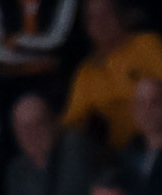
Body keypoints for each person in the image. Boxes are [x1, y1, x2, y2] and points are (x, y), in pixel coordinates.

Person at [65, 0, 162, 151]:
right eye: (93, 17)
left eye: (106, 14)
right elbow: (73, 121)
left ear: (121, 16)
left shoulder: (146, 44)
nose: (100, 23)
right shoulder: (87, 71)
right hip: (124, 153)